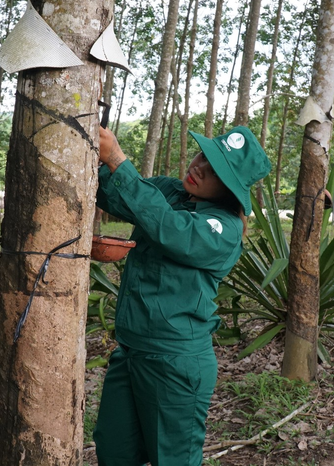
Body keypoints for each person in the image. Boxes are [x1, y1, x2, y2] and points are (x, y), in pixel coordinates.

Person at [93, 125, 271, 466]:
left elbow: (170, 229)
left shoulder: (223, 229)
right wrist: (94, 156)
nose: (200, 166)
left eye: (216, 170)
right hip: (131, 353)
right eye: (204, 155)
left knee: (172, 459)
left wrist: (118, 158)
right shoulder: (167, 191)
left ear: (230, 188)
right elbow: (115, 195)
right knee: (114, 451)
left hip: (175, 363)